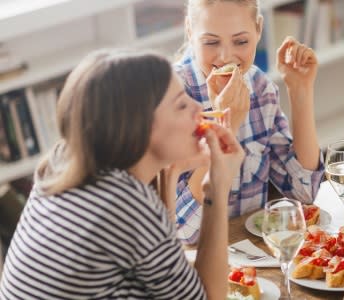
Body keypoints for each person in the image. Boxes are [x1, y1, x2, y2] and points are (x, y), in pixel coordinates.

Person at [0, 49, 245, 299]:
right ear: (139, 127)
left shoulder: (63, 160)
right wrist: (216, 187)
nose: (197, 107)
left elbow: (166, 268)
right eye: (181, 104)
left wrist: (170, 169)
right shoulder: (127, 205)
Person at [174, 0, 324, 244]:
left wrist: (300, 92)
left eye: (240, 41)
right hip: (196, 263)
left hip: (251, 255)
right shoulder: (171, 98)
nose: (225, 57)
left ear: (258, 30)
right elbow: (185, 231)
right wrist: (225, 125)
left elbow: (304, 191)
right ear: (190, 30)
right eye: (211, 42)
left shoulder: (260, 88)